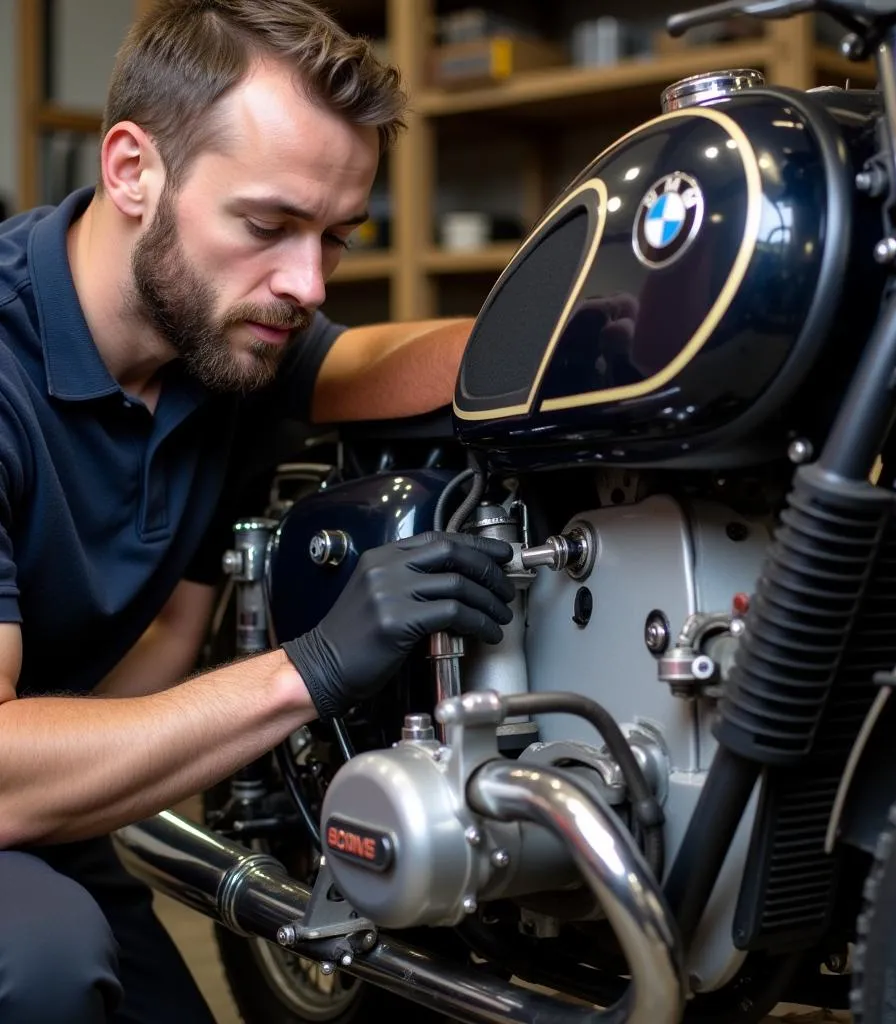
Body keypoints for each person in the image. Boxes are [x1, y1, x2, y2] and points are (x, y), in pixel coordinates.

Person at [0, 1, 516, 1021]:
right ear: (132, 171)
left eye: (334, 236)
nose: (307, 283)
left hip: (47, 817)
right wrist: (314, 666)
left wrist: (635, 315)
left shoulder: (225, 341)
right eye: (269, 225)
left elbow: (384, 361)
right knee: (45, 965)